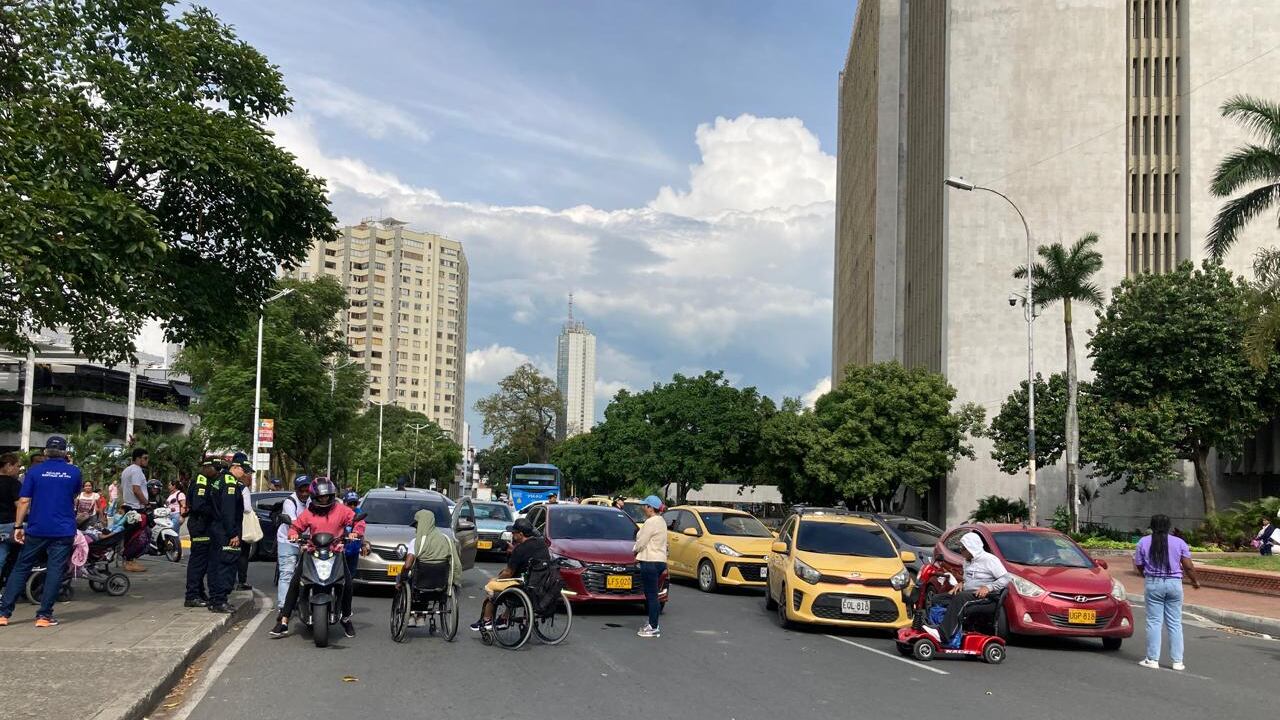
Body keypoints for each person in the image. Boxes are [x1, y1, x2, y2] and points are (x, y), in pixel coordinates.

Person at [0, 436, 82, 627]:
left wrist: (18, 526)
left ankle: (4, 614)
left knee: (21, 567)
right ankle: (44, 616)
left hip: (37, 528)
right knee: (54, 570)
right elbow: (75, 493)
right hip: (63, 529)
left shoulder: (34, 472)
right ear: (65, 453)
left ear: (45, 452)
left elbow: (23, 501)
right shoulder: (74, 472)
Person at [269, 479, 360, 638]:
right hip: (312, 551)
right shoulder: (309, 512)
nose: (324, 499)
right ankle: (283, 620)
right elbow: (296, 526)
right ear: (314, 497)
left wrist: (355, 532)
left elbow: (357, 521)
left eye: (327, 496)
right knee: (296, 581)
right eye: (320, 497)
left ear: (332, 495)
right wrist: (293, 535)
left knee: (347, 583)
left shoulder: (341, 510)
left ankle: (346, 618)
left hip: (336, 552)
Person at [1134, 514, 1201, 671]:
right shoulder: (1179, 542)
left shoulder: (1143, 542)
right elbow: (1188, 566)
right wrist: (1194, 581)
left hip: (1154, 583)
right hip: (1174, 584)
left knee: (1154, 622)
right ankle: (1178, 661)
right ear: (1169, 526)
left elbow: (1139, 564)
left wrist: (1147, 574)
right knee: (1175, 623)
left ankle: (1152, 659)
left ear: (1151, 526)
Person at [923, 532, 1010, 646]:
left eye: (963, 548)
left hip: (986, 597)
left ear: (971, 548)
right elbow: (969, 579)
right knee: (937, 599)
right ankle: (935, 627)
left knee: (960, 598)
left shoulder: (989, 560)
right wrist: (962, 584)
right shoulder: (967, 561)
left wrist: (988, 587)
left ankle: (943, 635)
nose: (961, 551)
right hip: (968, 593)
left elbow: (1006, 578)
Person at [471, 517, 548, 631]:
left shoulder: (520, 550)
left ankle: (486, 620)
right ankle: (504, 617)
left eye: (514, 532)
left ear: (521, 534)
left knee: (491, 586)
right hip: (541, 582)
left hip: (523, 585)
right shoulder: (542, 544)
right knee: (509, 584)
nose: (512, 534)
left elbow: (508, 573)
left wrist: (496, 579)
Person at [184, 458, 226, 608]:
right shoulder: (201, 480)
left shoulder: (207, 480)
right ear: (206, 467)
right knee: (198, 562)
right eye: (215, 468)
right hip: (200, 524)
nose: (217, 471)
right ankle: (192, 595)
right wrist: (216, 513)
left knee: (204, 562)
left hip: (204, 524)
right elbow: (198, 505)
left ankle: (199, 592)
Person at [207, 460, 245, 613]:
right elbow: (228, 511)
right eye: (243, 469)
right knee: (226, 565)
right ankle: (220, 600)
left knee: (216, 564)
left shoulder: (219, 479)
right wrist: (233, 534)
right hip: (225, 531)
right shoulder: (230, 483)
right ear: (235, 467)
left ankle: (214, 598)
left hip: (216, 528)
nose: (245, 473)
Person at [632, 495, 668, 638]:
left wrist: (634, 551)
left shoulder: (651, 522)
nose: (643, 508)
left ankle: (654, 626)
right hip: (659, 561)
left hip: (650, 561)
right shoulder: (661, 521)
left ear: (650, 508)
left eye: (645, 506)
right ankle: (653, 624)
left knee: (651, 595)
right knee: (653, 594)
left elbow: (641, 541)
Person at [275, 476, 311, 609]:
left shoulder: (313, 501)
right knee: (287, 573)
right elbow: (295, 524)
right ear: (296, 490)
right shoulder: (290, 502)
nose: (304, 493)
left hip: (309, 542)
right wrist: (300, 542)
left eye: (307, 490)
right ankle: (284, 607)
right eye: (301, 490)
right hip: (288, 541)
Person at [119, 448, 150, 573]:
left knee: (130, 535)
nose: (147, 461)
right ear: (138, 458)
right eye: (145, 458)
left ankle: (129, 560)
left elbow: (122, 489)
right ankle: (129, 561)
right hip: (136, 508)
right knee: (135, 536)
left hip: (128, 506)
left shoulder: (127, 470)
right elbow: (136, 489)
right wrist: (146, 503)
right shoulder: (137, 471)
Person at [230, 459, 254, 591]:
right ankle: (241, 581)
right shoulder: (242, 488)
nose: (249, 476)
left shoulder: (226, 483)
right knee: (242, 554)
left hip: (227, 525)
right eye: (247, 472)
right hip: (240, 525)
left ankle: (231, 580)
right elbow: (247, 508)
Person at [0, 452, 22, 583]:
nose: (18, 469)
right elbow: (20, 505)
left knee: (1, 555)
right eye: (17, 466)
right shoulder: (13, 483)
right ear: (8, 465)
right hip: (8, 524)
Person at [341, 491, 364, 575]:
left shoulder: (358, 513)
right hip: (338, 550)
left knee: (351, 574)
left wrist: (355, 533)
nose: (352, 506)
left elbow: (361, 525)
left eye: (355, 504)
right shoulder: (339, 513)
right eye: (350, 504)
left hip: (353, 550)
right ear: (344, 503)